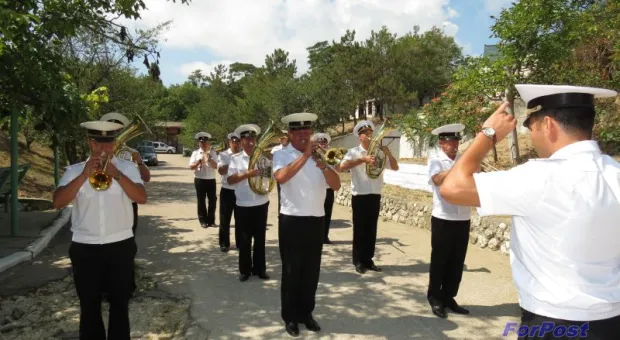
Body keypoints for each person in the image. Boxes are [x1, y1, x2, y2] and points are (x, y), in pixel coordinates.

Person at [440, 84, 620, 340]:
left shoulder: (539, 177)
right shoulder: (614, 172)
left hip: (554, 323)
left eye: (531, 127)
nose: (532, 136)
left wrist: (487, 134)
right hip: (611, 321)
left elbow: (453, 187)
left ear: (548, 125)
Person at [52, 120, 147, 340]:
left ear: (114, 143)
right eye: (98, 143)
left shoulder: (128, 168)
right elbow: (57, 202)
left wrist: (117, 175)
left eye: (108, 143)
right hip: (85, 247)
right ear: (89, 143)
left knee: (120, 306)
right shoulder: (75, 170)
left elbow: (141, 198)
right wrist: (84, 175)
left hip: (121, 245)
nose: (104, 149)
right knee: (89, 307)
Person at [273, 113, 341, 337]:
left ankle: (306, 314)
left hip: (316, 219)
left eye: (307, 132)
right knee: (292, 271)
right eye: (299, 132)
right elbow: (281, 177)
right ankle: (290, 317)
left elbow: (337, 185)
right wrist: (305, 156)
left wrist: (322, 166)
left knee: (311, 271)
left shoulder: (321, 157)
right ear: (290, 134)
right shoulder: (282, 155)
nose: (304, 136)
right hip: (292, 219)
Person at [338, 120, 399, 274]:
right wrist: (362, 160)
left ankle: (368, 260)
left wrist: (388, 154)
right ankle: (358, 260)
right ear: (360, 137)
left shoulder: (379, 151)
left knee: (371, 229)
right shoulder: (353, 152)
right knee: (360, 229)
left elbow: (395, 167)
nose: (369, 135)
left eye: (370, 133)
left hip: (375, 194)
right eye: (365, 134)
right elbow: (341, 167)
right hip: (360, 195)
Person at [100, 112, 151, 296]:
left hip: (127, 206)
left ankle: (126, 286)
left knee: (125, 248)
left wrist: (139, 161)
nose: (116, 133)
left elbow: (146, 178)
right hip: (102, 204)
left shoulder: (128, 154)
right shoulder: (95, 153)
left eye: (119, 129)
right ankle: (103, 286)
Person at [425, 123, 472, 319]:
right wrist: (457, 168)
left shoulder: (464, 159)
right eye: (449, 141)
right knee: (440, 260)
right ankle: (435, 298)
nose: (454, 145)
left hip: (463, 216)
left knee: (457, 260)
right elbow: (437, 180)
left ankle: (449, 297)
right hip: (443, 217)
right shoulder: (436, 161)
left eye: (456, 141)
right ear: (441, 143)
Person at [226, 124, 270, 282]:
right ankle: (244, 270)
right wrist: (247, 174)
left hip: (261, 202)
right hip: (243, 204)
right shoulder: (235, 159)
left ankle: (260, 269)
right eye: (247, 138)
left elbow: (269, 178)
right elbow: (230, 180)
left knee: (260, 238)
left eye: (253, 138)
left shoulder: (263, 158)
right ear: (241, 141)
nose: (250, 141)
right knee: (244, 240)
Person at [217, 132, 241, 252]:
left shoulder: (243, 154)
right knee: (225, 218)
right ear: (229, 142)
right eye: (234, 142)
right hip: (227, 190)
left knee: (240, 219)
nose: (236, 144)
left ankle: (240, 243)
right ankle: (224, 243)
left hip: (240, 190)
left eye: (238, 142)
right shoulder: (223, 154)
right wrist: (233, 160)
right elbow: (221, 171)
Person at [189, 132, 218, 228]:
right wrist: (198, 161)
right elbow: (191, 167)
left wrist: (210, 159)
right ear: (199, 143)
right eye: (201, 142)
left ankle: (211, 220)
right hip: (199, 180)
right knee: (201, 201)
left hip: (211, 179)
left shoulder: (213, 153)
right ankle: (203, 220)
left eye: (205, 142)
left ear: (208, 143)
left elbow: (216, 166)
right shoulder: (195, 153)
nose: (203, 144)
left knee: (212, 200)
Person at [311, 132, 335, 244]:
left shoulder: (331, 152)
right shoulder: (312, 153)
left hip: (328, 187)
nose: (322, 143)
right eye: (320, 142)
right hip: (315, 188)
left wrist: (325, 151)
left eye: (324, 141)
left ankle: (325, 236)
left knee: (327, 213)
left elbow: (338, 164)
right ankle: (315, 236)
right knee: (315, 213)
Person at [271, 130, 289, 214]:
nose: (283, 139)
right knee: (280, 196)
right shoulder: (275, 149)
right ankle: (280, 213)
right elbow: (272, 162)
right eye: (282, 137)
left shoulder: (292, 148)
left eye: (285, 137)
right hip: (280, 175)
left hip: (291, 174)